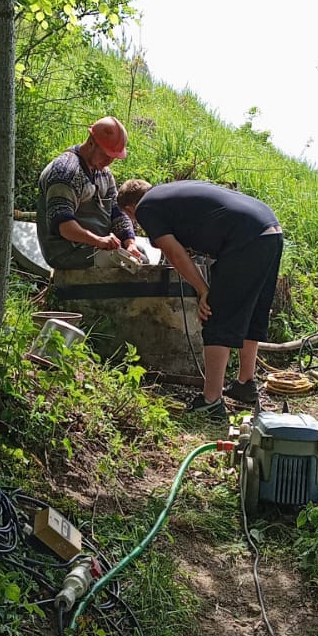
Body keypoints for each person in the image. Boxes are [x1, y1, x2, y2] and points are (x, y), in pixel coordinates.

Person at [117, 178, 283, 421]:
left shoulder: (145, 208)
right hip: (270, 229)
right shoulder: (169, 193)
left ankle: (211, 401)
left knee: (215, 313)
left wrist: (203, 290)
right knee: (253, 310)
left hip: (245, 238)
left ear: (130, 209)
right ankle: (245, 383)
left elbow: (173, 252)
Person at [36, 117, 142, 271]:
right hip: (68, 251)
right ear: (91, 143)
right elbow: (64, 226)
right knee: (124, 267)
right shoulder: (65, 172)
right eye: (106, 155)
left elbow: (117, 211)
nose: (108, 162)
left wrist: (130, 242)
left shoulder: (104, 173)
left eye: (113, 158)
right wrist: (99, 241)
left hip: (96, 247)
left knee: (141, 257)